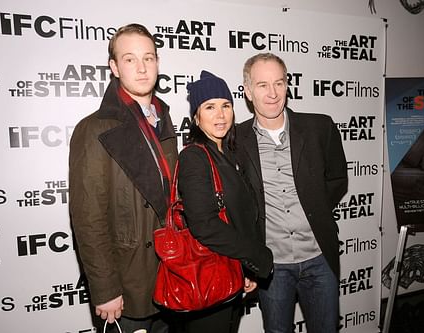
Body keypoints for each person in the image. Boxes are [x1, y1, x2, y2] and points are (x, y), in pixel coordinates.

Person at [69, 23, 178, 333]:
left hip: (170, 276)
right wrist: (105, 289)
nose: (142, 68)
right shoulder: (94, 129)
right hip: (126, 285)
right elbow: (88, 218)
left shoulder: (164, 121)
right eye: (130, 59)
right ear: (114, 67)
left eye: (149, 58)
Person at [235, 53, 348, 333]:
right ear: (248, 91)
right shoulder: (235, 140)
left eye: (279, 83)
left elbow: (337, 179)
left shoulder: (319, 127)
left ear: (288, 85)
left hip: (319, 258)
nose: (272, 93)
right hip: (271, 266)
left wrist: (315, 207)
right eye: (262, 85)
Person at [175, 70, 273, 333]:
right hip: (208, 274)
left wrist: (246, 269)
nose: (220, 115)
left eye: (226, 106)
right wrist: (255, 256)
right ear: (196, 116)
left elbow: (240, 215)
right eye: (210, 107)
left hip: (232, 270)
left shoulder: (230, 153)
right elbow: (204, 224)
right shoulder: (195, 157)